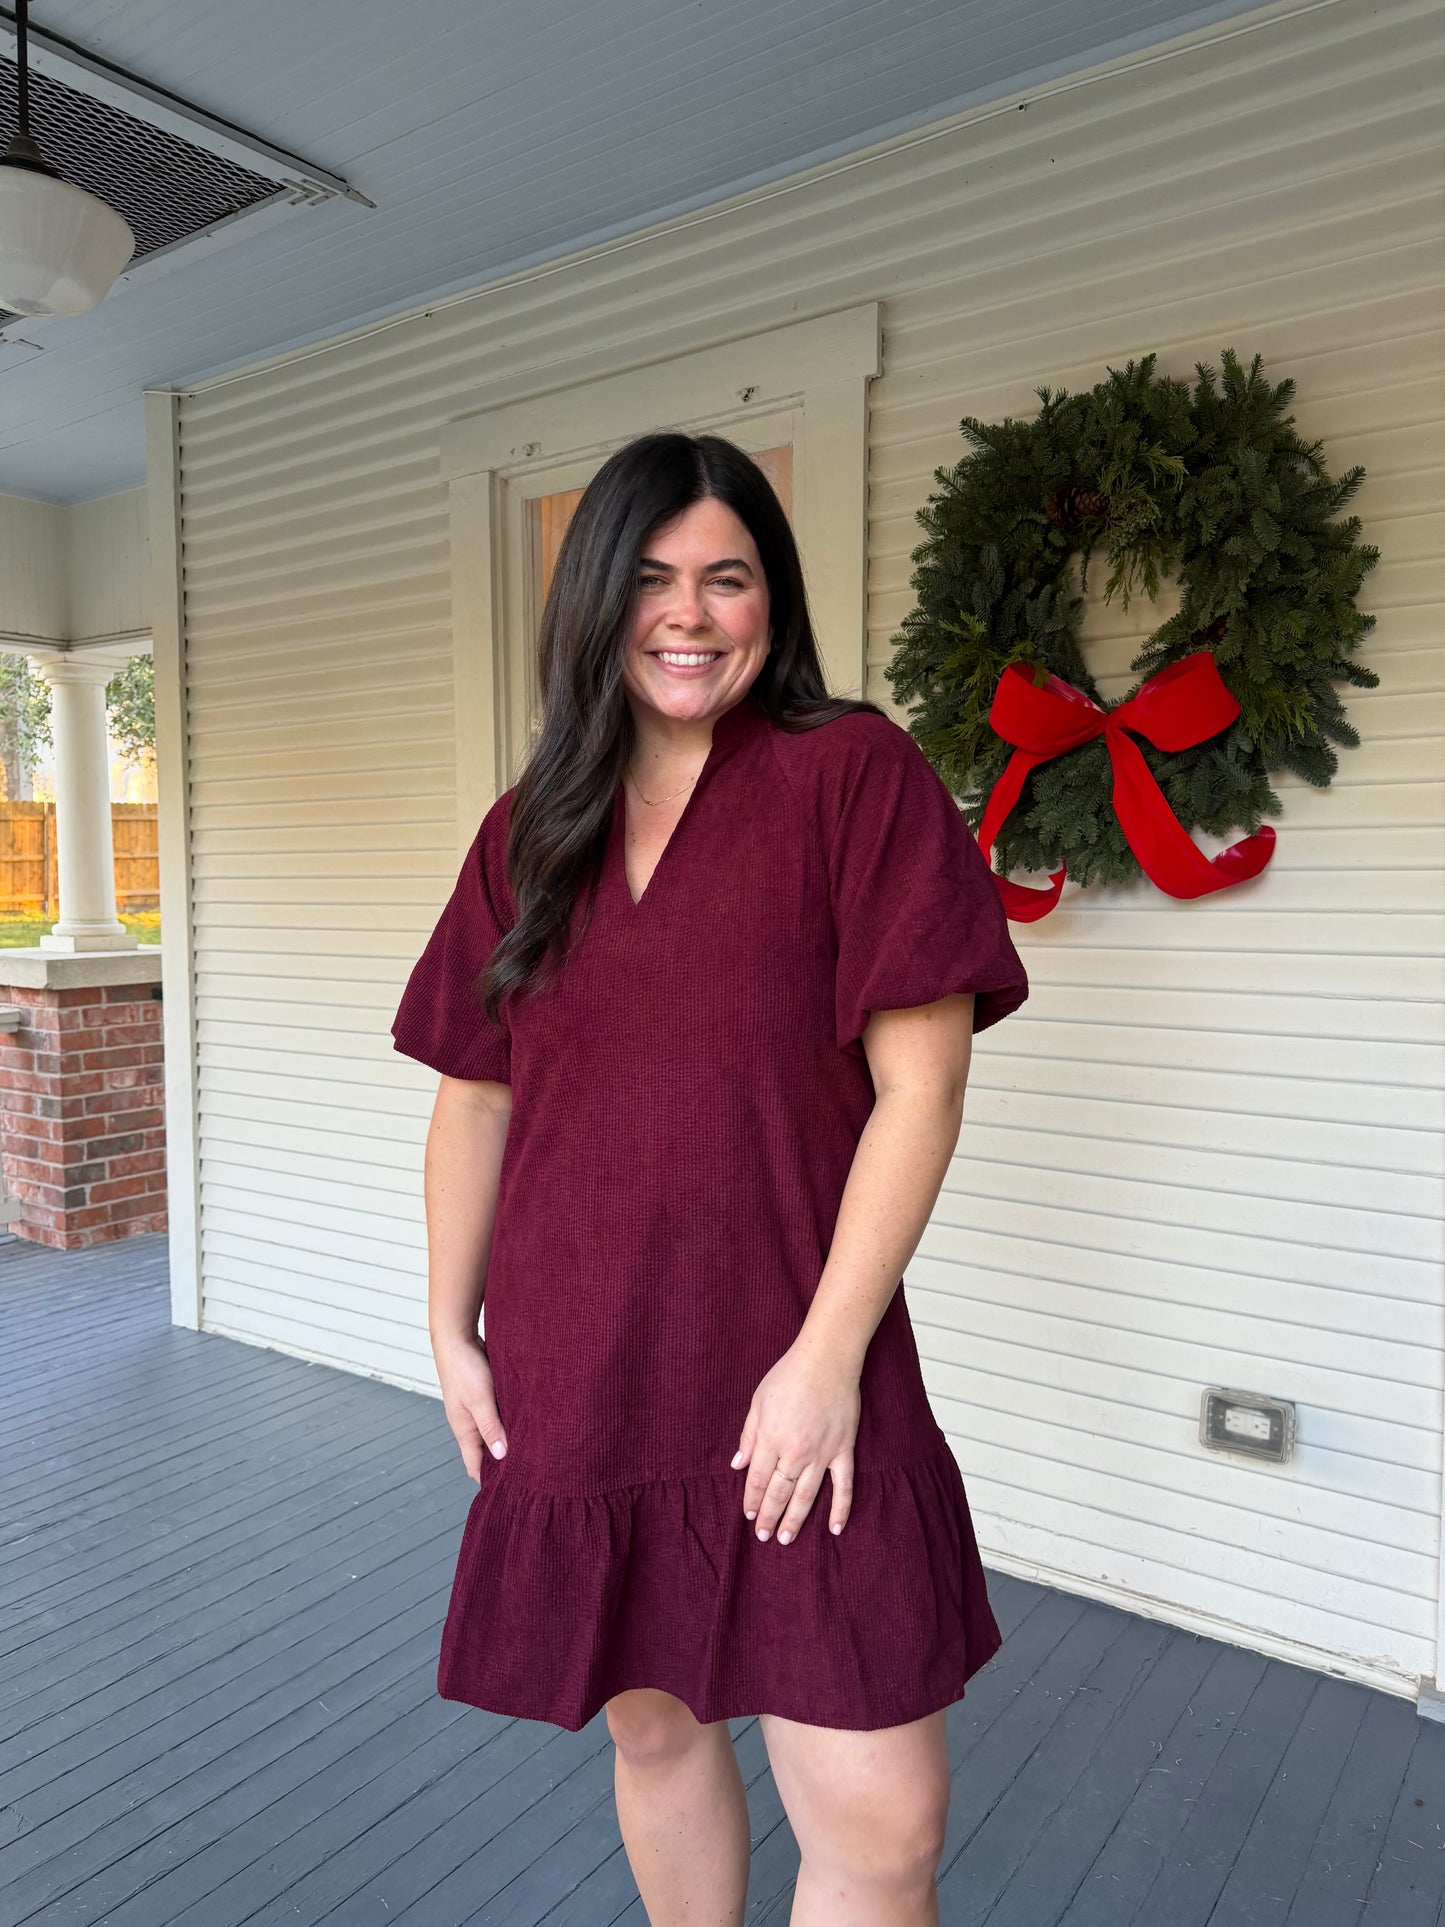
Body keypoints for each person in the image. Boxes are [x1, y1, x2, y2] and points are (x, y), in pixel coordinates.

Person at [391, 430, 1030, 1926]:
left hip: (795, 1373)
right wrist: (447, 1328)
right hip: (583, 1369)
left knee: (882, 1829)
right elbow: (474, 1099)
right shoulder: (530, 831)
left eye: (726, 579)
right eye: (653, 579)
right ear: (596, 605)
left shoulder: (849, 777)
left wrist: (823, 1360)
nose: (688, 616)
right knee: (656, 1724)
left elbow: (919, 1089)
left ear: (771, 601)